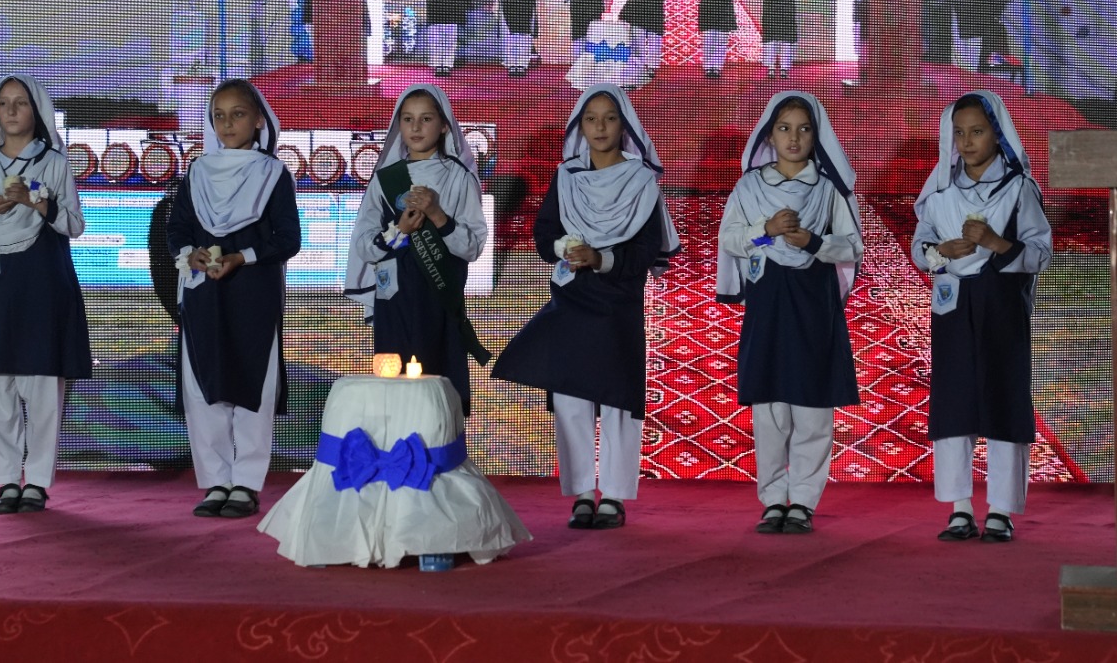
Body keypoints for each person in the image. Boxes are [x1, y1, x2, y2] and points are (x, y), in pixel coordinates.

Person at [493, 85, 680, 531]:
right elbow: (543, 236)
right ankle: (580, 493)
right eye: (590, 118)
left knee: (617, 401)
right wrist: (565, 247)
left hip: (618, 303)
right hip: (573, 300)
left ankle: (613, 495)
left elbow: (644, 251)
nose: (599, 127)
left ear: (625, 125)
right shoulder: (567, 177)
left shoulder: (640, 182)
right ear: (580, 126)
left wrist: (603, 259)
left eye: (609, 118)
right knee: (571, 399)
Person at [716, 92, 862, 534]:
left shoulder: (829, 188)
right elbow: (731, 238)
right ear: (769, 135)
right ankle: (773, 498)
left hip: (814, 302)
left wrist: (813, 243)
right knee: (771, 404)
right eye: (784, 128)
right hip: (770, 301)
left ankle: (803, 500)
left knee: (812, 404)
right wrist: (767, 232)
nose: (794, 138)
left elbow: (852, 245)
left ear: (817, 135)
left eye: (803, 128)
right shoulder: (750, 186)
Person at [911, 91, 1052, 543]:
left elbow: (1041, 252)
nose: (968, 142)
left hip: (1001, 306)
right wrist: (939, 252)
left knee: (1002, 395)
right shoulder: (938, 191)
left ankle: (1001, 510)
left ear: (997, 133)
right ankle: (958, 507)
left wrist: (995, 242)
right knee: (955, 399)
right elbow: (920, 248)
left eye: (977, 131)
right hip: (953, 307)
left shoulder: (1018, 188)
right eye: (959, 133)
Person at [0, 75, 93, 514]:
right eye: (3, 104)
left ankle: (36, 479)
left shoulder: (53, 163)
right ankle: (4, 481)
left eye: (20, 103)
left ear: (37, 110)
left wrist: (37, 202)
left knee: (42, 383)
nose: (11, 111)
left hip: (43, 278)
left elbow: (73, 224)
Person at [166, 80, 301, 518]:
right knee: (204, 386)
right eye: (218, 115)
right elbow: (178, 231)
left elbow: (289, 238)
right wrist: (194, 255)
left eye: (237, 114)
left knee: (251, 386)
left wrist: (244, 256)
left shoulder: (273, 174)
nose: (227, 123)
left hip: (252, 294)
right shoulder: (197, 173)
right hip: (204, 294)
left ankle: (246, 482)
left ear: (259, 120)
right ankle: (215, 481)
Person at [345, 84, 489, 413]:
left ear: (443, 126)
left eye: (425, 119)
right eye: (407, 119)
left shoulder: (459, 178)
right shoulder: (385, 180)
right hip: (392, 304)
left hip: (439, 301)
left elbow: (473, 246)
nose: (415, 127)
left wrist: (438, 216)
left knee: (440, 395)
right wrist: (400, 231)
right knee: (392, 395)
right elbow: (365, 245)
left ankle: (440, 462)